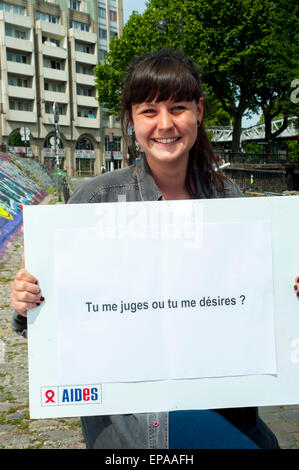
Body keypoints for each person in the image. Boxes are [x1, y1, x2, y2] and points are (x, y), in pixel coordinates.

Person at [10, 48, 290, 449]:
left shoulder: (228, 198)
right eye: (148, 111)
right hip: (134, 427)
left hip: (225, 408)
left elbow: (258, 304)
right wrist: (27, 302)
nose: (165, 124)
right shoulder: (96, 200)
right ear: (130, 120)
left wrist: (287, 290)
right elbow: (53, 316)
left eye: (178, 108)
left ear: (199, 111)